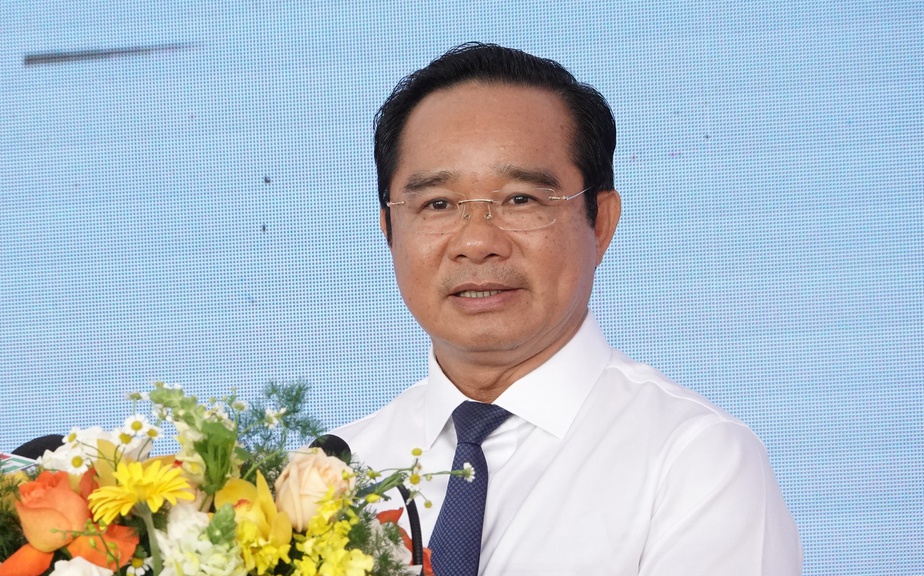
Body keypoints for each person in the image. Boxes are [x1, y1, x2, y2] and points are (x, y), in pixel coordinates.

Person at [334, 43, 802, 575]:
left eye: (521, 200)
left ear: (600, 223)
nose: (477, 243)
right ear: (389, 230)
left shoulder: (695, 462)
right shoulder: (330, 474)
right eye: (437, 204)